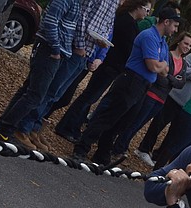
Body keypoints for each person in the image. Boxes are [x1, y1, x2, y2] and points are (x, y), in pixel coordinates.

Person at [73, 7, 176, 164]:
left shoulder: (163, 43)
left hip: (144, 85)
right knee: (108, 116)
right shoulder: (149, 36)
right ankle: (82, 147)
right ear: (166, 22)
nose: (175, 30)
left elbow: (166, 70)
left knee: (123, 121)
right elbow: (153, 66)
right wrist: (160, 65)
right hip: (131, 80)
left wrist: (160, 65)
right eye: (174, 25)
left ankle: (102, 154)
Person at [17, 0, 118, 150]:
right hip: (75, 47)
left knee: (57, 94)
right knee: (50, 89)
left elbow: (109, 24)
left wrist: (102, 42)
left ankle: (34, 127)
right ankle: (24, 127)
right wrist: (79, 44)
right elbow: (82, 15)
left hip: (89, 50)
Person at [55, 0, 153, 143]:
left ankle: (73, 126)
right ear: (138, 7)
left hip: (112, 65)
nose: (147, 14)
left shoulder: (128, 22)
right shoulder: (126, 22)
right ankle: (66, 126)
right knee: (89, 96)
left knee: (90, 97)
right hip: (110, 65)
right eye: (147, 10)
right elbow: (127, 48)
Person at [0, 0, 82, 147]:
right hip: (48, 50)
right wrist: (56, 49)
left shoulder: (77, 3)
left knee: (28, 90)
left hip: (57, 52)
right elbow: (51, 21)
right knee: (35, 94)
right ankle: (5, 129)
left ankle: (3, 128)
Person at [109, 31, 191, 157]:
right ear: (179, 41)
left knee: (141, 124)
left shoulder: (184, 64)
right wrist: (172, 79)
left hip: (161, 99)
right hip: (151, 93)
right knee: (134, 121)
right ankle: (118, 146)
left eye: (190, 46)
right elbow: (160, 77)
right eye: (186, 43)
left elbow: (180, 84)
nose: (187, 47)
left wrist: (169, 77)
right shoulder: (167, 56)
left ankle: (122, 145)